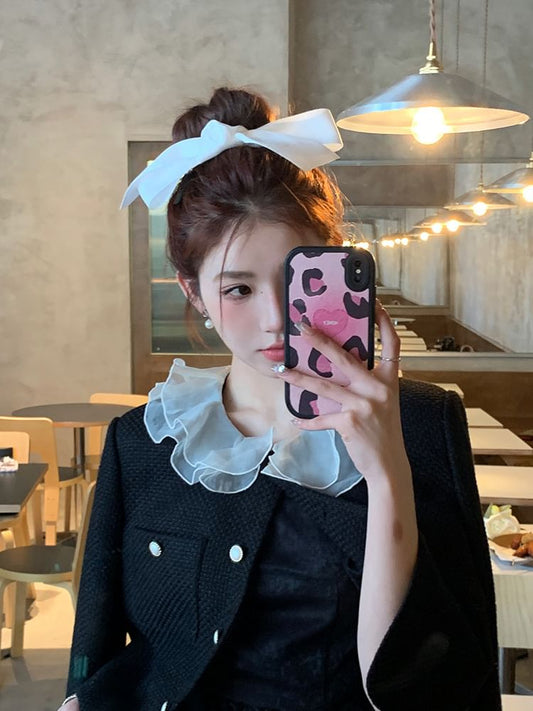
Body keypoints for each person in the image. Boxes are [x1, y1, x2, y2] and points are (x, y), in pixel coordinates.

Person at [60, 87, 501, 711]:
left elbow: (428, 683)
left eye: (295, 280)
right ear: (193, 293)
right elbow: (99, 651)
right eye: (237, 289)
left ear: (334, 262)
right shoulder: (144, 443)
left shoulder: (424, 423)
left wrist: (387, 474)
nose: (275, 319)